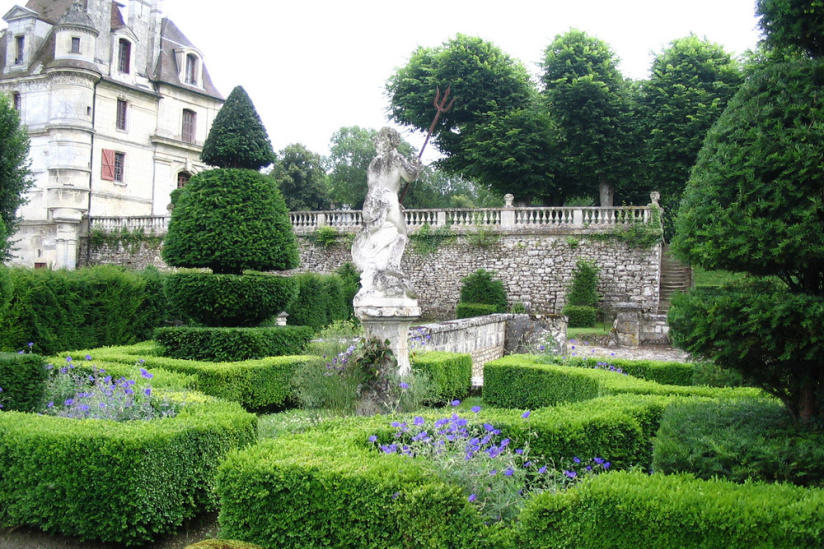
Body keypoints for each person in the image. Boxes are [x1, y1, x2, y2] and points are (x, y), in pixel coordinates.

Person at [351, 127, 422, 302]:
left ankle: (378, 269)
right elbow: (411, 176)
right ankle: (391, 267)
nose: (377, 143)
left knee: (379, 235)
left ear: (388, 141)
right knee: (400, 236)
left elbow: (372, 184)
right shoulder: (396, 159)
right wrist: (418, 165)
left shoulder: (374, 162)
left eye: (380, 140)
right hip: (388, 200)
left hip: (372, 202)